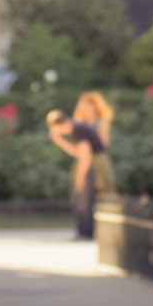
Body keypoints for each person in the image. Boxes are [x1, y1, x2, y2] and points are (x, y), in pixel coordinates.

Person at [46, 91, 116, 239]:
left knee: (86, 198)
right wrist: (58, 140)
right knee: (81, 198)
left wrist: (81, 177)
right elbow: (76, 151)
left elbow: (86, 154)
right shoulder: (77, 126)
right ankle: (84, 231)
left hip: (93, 163)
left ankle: (86, 232)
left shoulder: (79, 128)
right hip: (88, 161)